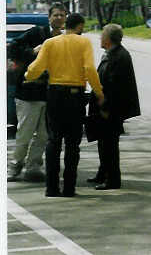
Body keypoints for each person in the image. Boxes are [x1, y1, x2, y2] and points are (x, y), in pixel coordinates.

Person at [25, 13, 103, 197]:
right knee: (72, 143)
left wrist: (28, 76)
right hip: (75, 96)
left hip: (55, 94)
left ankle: (51, 187)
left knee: (53, 140)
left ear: (65, 25)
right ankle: (69, 187)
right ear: (80, 26)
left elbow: (36, 67)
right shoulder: (83, 42)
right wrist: (99, 92)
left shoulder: (50, 43)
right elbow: (89, 69)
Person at [7, 3, 67, 182]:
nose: (59, 18)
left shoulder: (65, 39)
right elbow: (12, 48)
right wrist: (32, 51)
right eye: (56, 15)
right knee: (25, 133)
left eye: (62, 15)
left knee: (43, 135)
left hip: (51, 94)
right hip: (28, 93)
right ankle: (14, 166)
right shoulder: (36, 33)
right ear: (49, 17)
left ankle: (33, 167)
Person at [88, 23, 140, 190]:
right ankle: (102, 173)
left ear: (108, 39)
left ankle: (112, 180)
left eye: (102, 35)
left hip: (111, 109)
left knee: (109, 145)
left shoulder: (119, 57)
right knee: (103, 142)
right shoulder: (113, 53)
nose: (100, 38)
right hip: (107, 107)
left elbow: (115, 88)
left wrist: (106, 108)